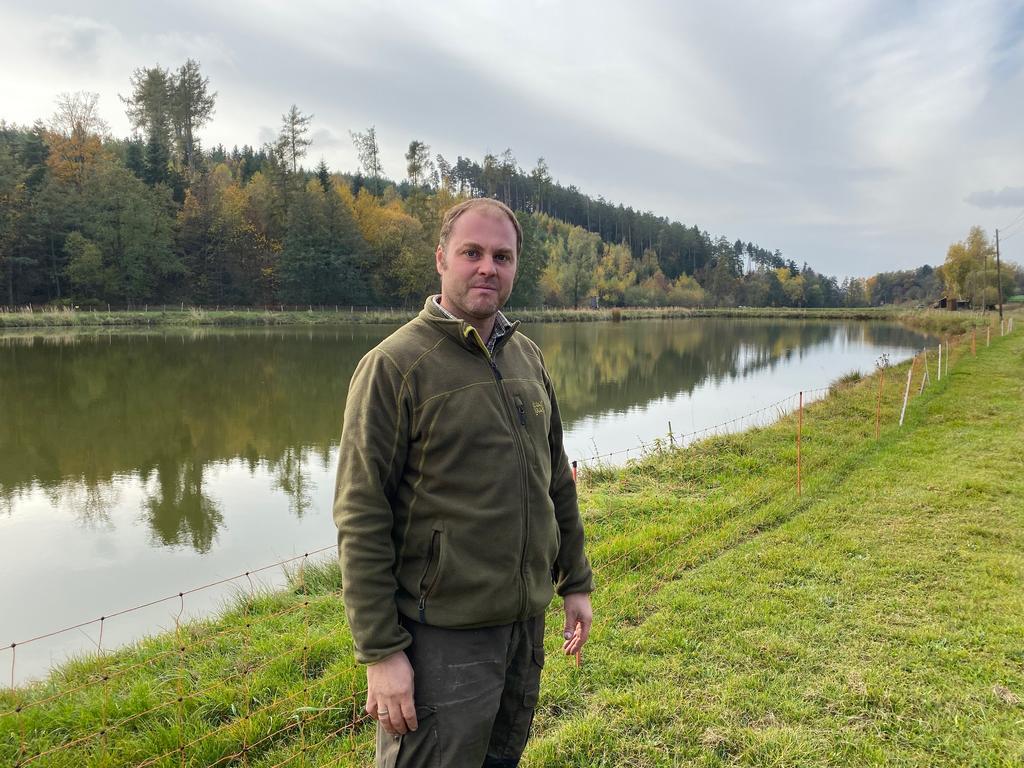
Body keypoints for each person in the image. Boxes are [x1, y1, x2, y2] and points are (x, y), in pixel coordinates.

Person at [333, 198, 594, 767]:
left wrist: (574, 581)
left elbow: (555, 479)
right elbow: (360, 515)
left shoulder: (526, 356)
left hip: (523, 626)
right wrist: (381, 652)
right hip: (441, 639)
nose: (487, 268)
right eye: (471, 252)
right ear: (441, 259)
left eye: (502, 256)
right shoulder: (395, 366)